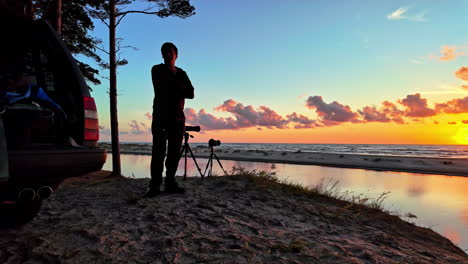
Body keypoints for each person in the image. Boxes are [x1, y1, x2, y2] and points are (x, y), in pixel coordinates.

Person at [146, 42, 194, 197]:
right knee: (158, 152)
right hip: (160, 116)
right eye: (164, 51)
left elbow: (191, 93)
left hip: (178, 118)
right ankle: (155, 186)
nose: (167, 54)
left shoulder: (182, 72)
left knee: (174, 152)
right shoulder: (157, 69)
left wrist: (177, 87)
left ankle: (170, 183)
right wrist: (181, 88)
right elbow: (163, 87)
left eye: (170, 51)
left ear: (176, 54)